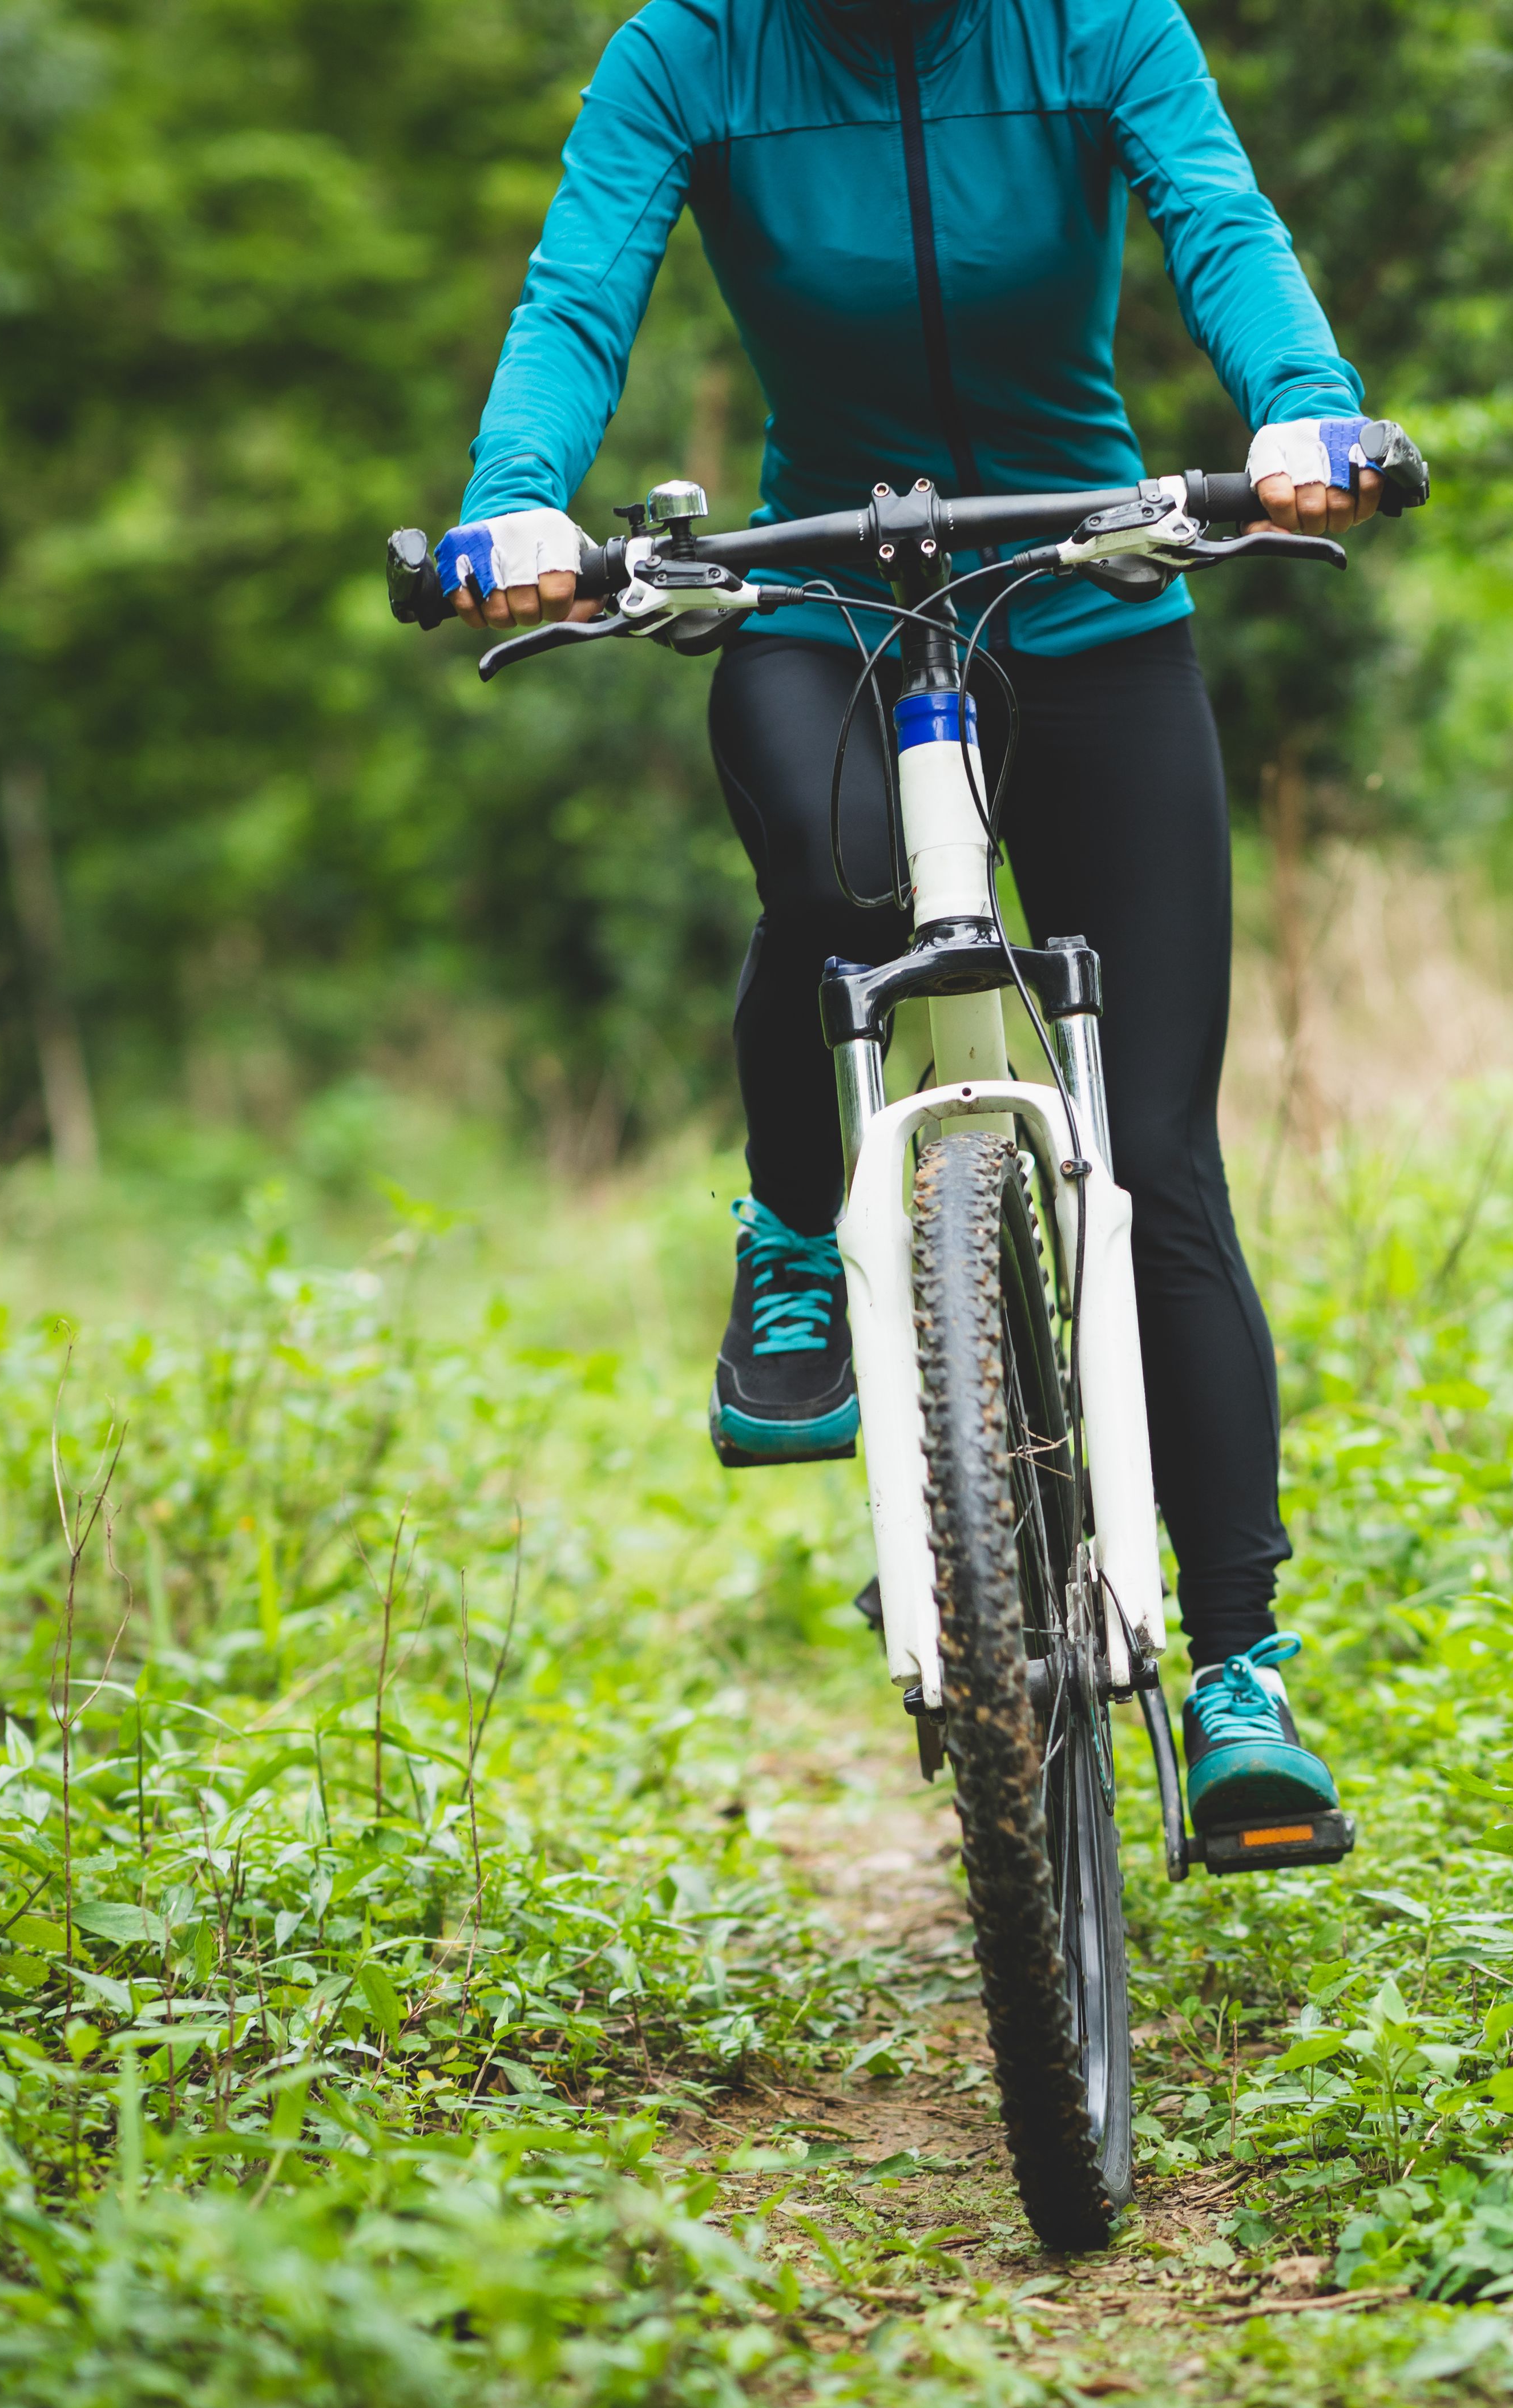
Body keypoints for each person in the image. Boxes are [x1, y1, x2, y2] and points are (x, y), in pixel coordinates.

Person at [433, 0, 1366, 1838]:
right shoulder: (693, 51)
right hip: (825, 602)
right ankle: (799, 1230)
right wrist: (517, 501)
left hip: (1089, 595)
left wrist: (1300, 401)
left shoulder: (1100, 25)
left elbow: (1220, 218)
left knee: (1153, 1149)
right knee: (838, 882)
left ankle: (1238, 1672)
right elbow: (577, 296)